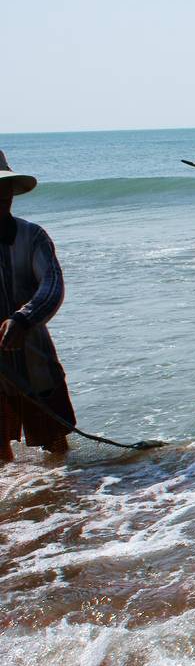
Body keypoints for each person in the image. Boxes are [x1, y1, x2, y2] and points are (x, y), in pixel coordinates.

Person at [0, 150, 75, 462]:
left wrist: (23, 318)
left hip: (35, 360)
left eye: (4, 189)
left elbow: (52, 285)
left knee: (55, 446)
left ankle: (68, 503)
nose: (2, 196)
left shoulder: (32, 236)